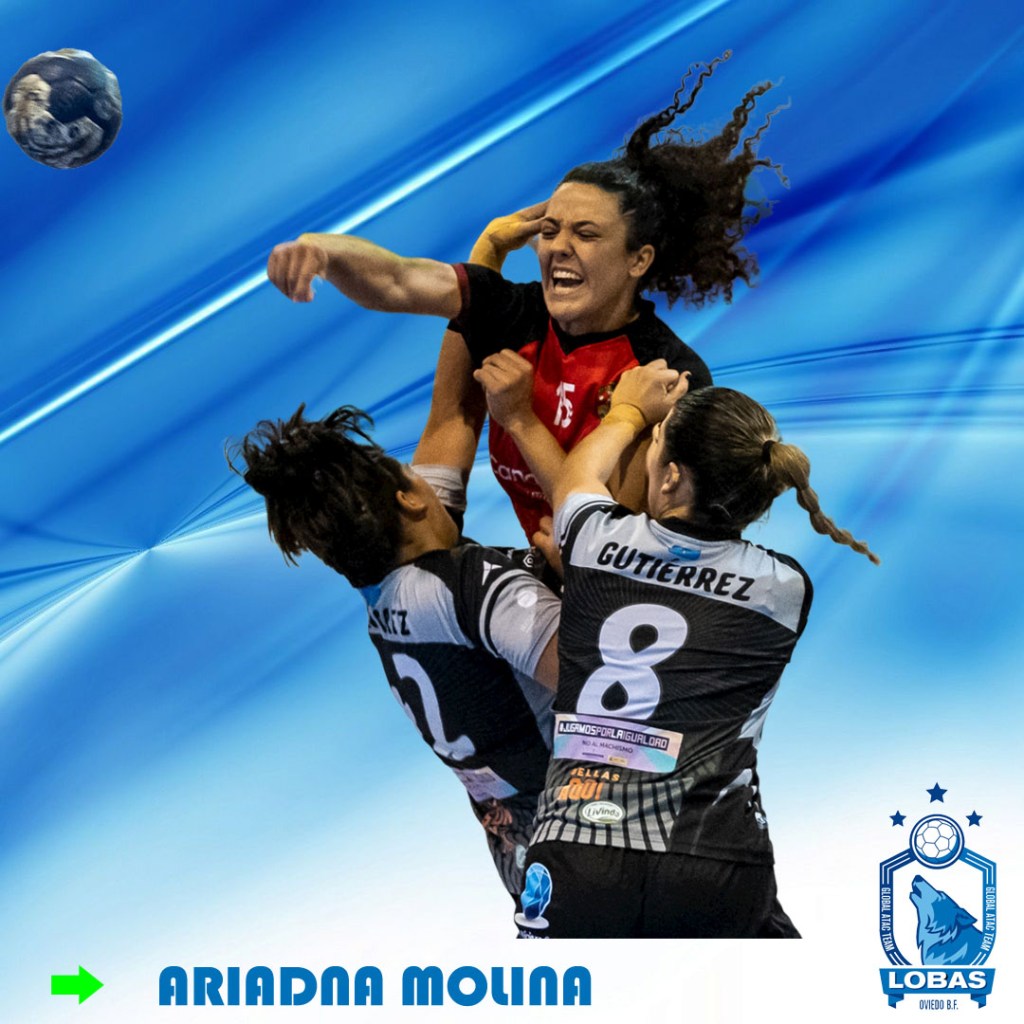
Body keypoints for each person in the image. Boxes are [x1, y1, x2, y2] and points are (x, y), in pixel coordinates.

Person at [266, 53, 785, 542]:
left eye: (585, 233)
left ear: (638, 260)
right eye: (550, 230)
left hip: (607, 580)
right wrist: (322, 251)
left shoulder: (666, 372)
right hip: (540, 564)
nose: (558, 247)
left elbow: (610, 533)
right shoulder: (513, 311)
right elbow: (397, 280)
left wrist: (519, 417)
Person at [490, 361, 878, 937]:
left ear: (671, 478)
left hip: (576, 850)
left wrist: (627, 411)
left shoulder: (597, 541)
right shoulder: (786, 589)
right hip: (713, 859)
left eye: (655, 445)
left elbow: (575, 479)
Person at [230, 404, 561, 903]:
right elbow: (612, 681)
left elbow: (451, 420)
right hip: (590, 831)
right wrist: (582, 573)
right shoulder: (468, 588)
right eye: (414, 473)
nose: (429, 475)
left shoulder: (384, 587)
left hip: (522, 858)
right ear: (409, 498)